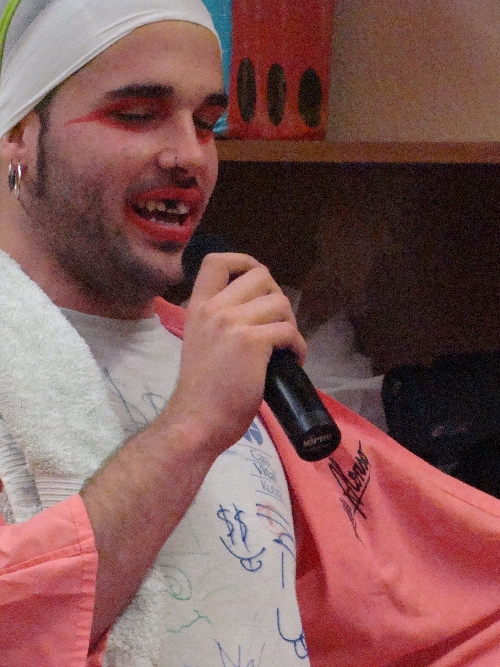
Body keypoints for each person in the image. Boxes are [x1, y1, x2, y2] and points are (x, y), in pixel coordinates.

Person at [0, 2, 499, 667]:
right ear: (19, 133)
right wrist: (191, 427)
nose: (188, 156)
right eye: (137, 114)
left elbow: (445, 605)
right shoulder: (206, 396)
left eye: (206, 123)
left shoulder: (234, 364)